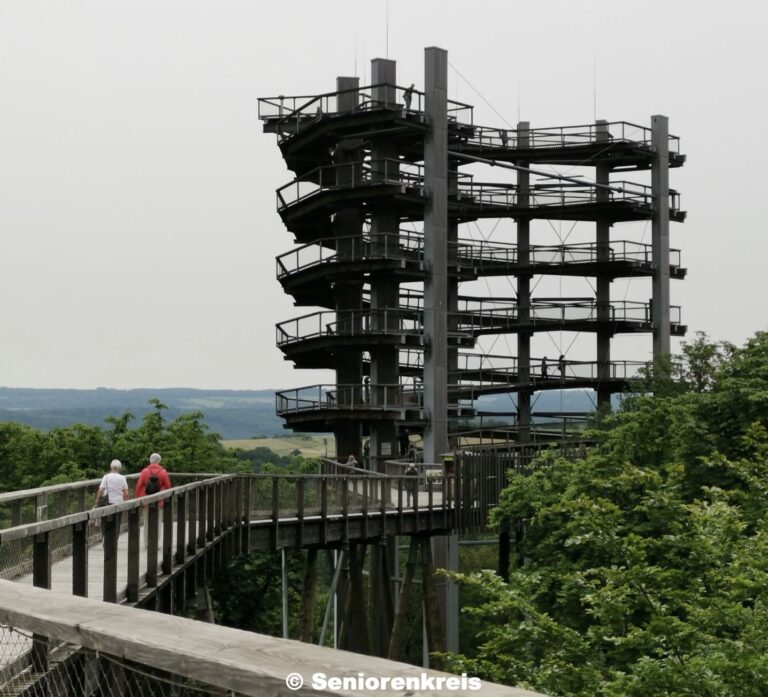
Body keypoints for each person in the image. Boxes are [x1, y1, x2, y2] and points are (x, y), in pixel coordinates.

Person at [135, 453, 172, 549]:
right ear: (159, 461)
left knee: (146, 523)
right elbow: (168, 486)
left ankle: (146, 543)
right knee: (158, 523)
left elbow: (139, 486)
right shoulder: (163, 472)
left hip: (146, 500)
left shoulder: (144, 472)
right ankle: (156, 543)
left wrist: (138, 499)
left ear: (150, 460)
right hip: (159, 501)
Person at [93, 459, 129, 539]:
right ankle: (115, 541)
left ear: (111, 467)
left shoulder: (106, 477)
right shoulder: (122, 478)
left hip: (107, 503)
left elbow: (101, 490)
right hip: (119, 504)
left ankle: (104, 538)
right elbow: (126, 494)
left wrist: (96, 502)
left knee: (105, 522)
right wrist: (126, 504)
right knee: (117, 522)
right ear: (119, 468)